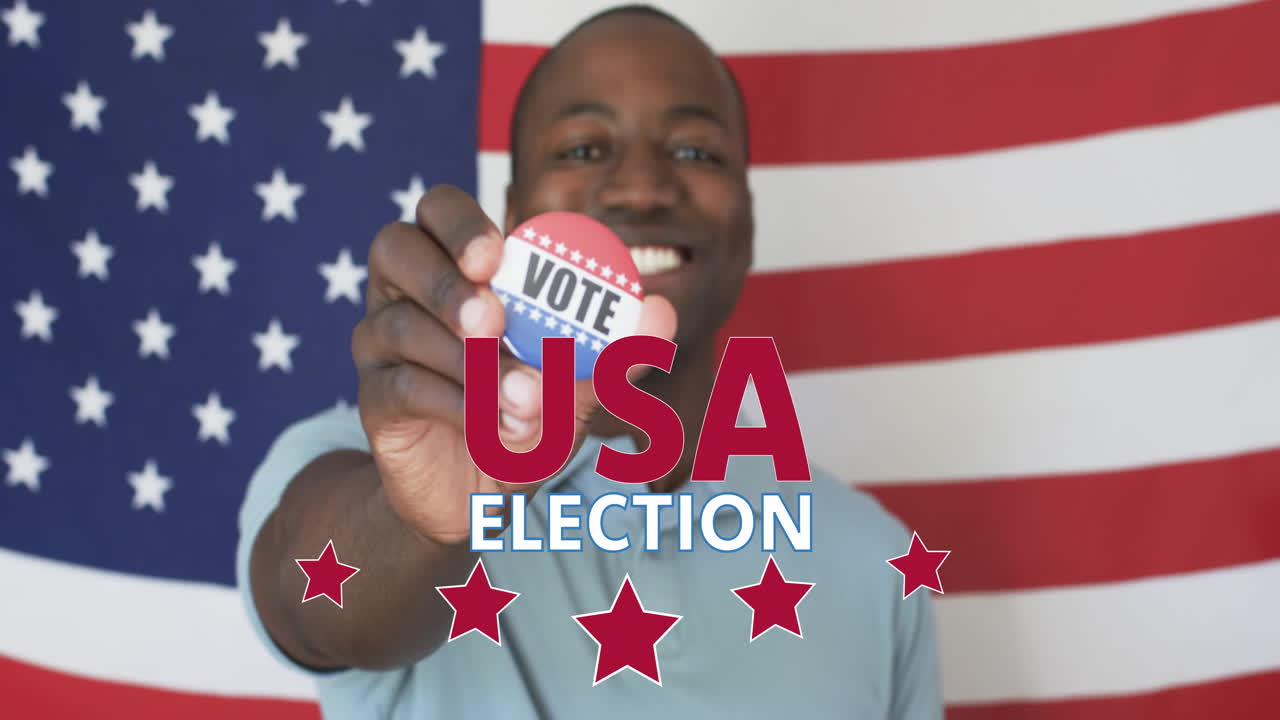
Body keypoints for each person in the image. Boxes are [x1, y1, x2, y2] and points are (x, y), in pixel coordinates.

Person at [237, 5, 943, 718]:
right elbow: (321, 608)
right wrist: (419, 529)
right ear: (514, 218)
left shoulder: (875, 560)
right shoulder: (366, 460)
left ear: (749, 222)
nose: (641, 189)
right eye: (580, 150)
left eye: (696, 151)